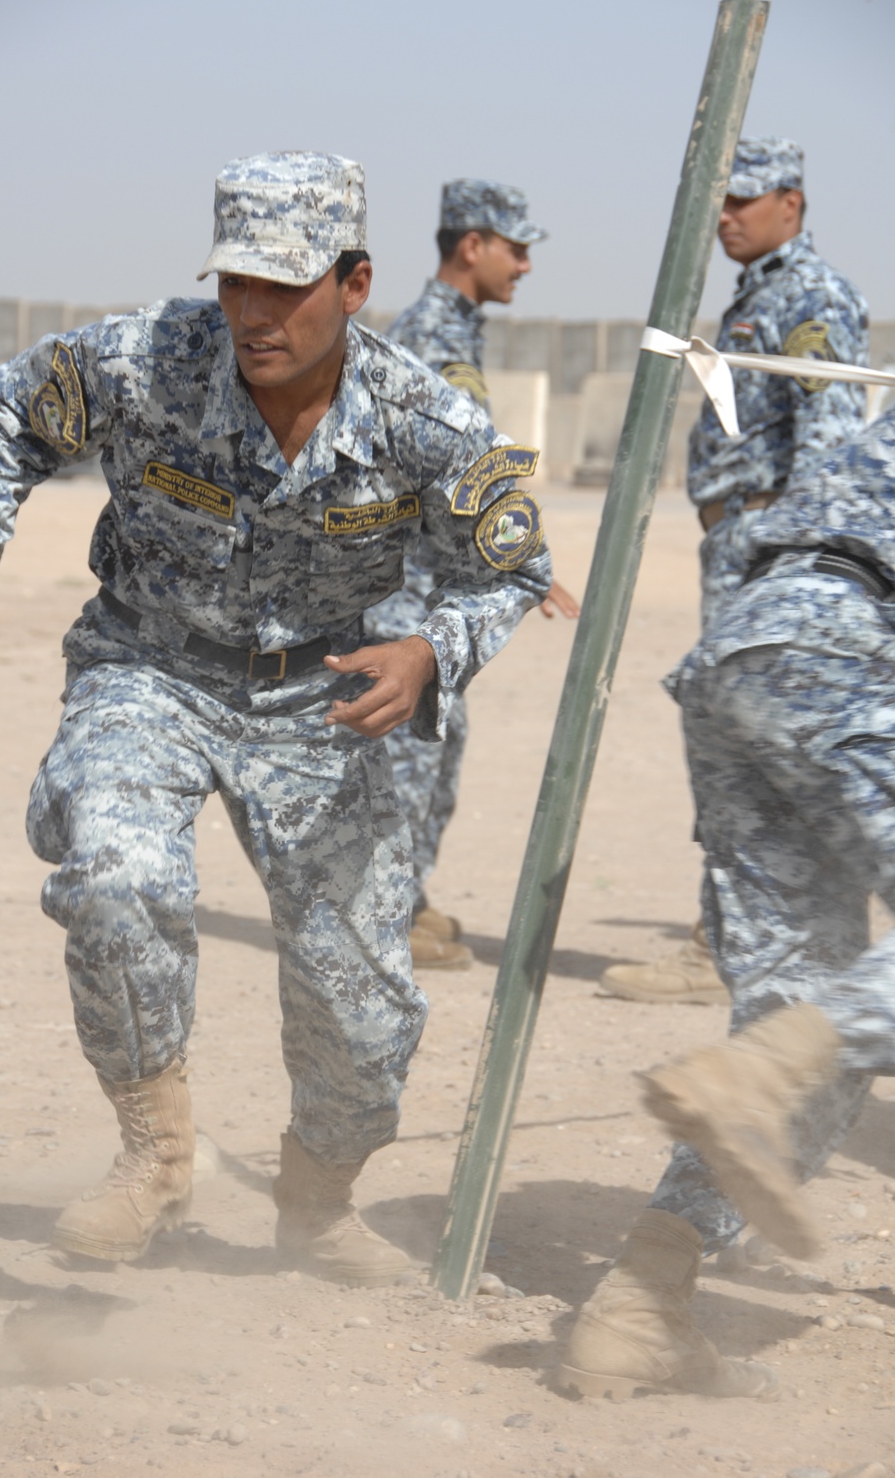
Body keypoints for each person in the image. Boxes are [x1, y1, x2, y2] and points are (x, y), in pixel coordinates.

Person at [0, 151, 552, 1285]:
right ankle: (154, 1156)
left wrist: (425, 648)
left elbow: (510, 569)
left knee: (360, 997)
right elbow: (7, 410)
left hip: (322, 694)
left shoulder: (422, 419)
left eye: (285, 287)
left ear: (354, 284)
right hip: (149, 665)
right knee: (113, 873)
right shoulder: (142, 360)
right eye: (236, 283)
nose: (253, 313)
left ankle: (319, 1204)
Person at [559, 406, 895, 1402]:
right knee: (784, 1055)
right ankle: (763, 1070)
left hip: (744, 650)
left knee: (808, 1002)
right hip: (843, 647)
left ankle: (638, 1305)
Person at [600, 135, 869, 1007]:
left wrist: (787, 565)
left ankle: (736, 949)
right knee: (737, 749)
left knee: (759, 752)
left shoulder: (811, 296)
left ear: (791, 202)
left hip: (768, 551)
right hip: (740, 545)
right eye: (721, 201)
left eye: (742, 200)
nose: (725, 216)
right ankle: (731, 939)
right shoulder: (763, 294)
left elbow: (827, 448)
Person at [366, 179, 579, 970]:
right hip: (408, 587)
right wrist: (514, 558)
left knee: (435, 748)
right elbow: (448, 471)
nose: (524, 265)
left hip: (435, 581)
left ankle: (406, 900)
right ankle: (382, 917)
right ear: (471, 246)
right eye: (515, 248)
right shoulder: (433, 335)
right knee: (409, 755)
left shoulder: (458, 331)